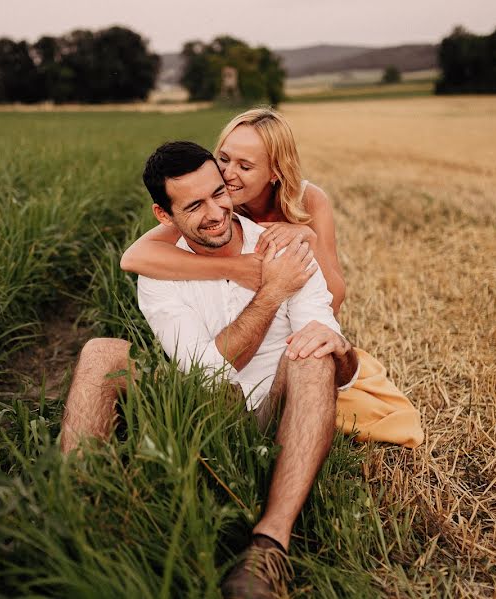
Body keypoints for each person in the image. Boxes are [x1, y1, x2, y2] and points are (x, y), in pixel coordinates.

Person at [61, 141, 361, 598]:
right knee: (101, 353)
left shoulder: (280, 248)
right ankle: (77, 515)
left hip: (278, 409)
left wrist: (341, 348)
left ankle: (269, 548)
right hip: (203, 407)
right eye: (195, 206)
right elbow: (205, 374)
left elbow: (320, 328)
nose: (216, 212)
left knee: (314, 353)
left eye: (219, 194)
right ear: (164, 216)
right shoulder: (159, 273)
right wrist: (270, 294)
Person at [120, 108, 423, 448]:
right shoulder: (215, 204)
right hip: (234, 343)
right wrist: (236, 267)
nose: (228, 174)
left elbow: (335, 293)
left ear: (275, 173)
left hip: (291, 335)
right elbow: (135, 257)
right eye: (223, 158)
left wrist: (306, 236)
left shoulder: (308, 199)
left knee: (323, 386)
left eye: (245, 166)